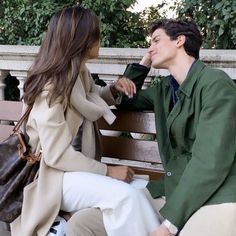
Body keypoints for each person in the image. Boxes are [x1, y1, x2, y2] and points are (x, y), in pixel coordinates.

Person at [66, 19, 236, 236]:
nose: (150, 47)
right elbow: (126, 100)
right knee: (83, 223)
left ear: (180, 41)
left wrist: (169, 225)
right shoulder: (165, 89)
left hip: (216, 198)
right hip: (171, 191)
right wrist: (145, 62)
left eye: (156, 40)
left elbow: (210, 162)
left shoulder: (216, 85)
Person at [10, 5, 161, 236]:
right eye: (96, 34)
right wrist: (108, 171)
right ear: (82, 40)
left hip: (74, 172)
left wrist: (113, 89)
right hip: (50, 177)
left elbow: (90, 99)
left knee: (136, 193)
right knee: (126, 197)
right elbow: (57, 156)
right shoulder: (50, 86)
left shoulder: (78, 73)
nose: (101, 38)